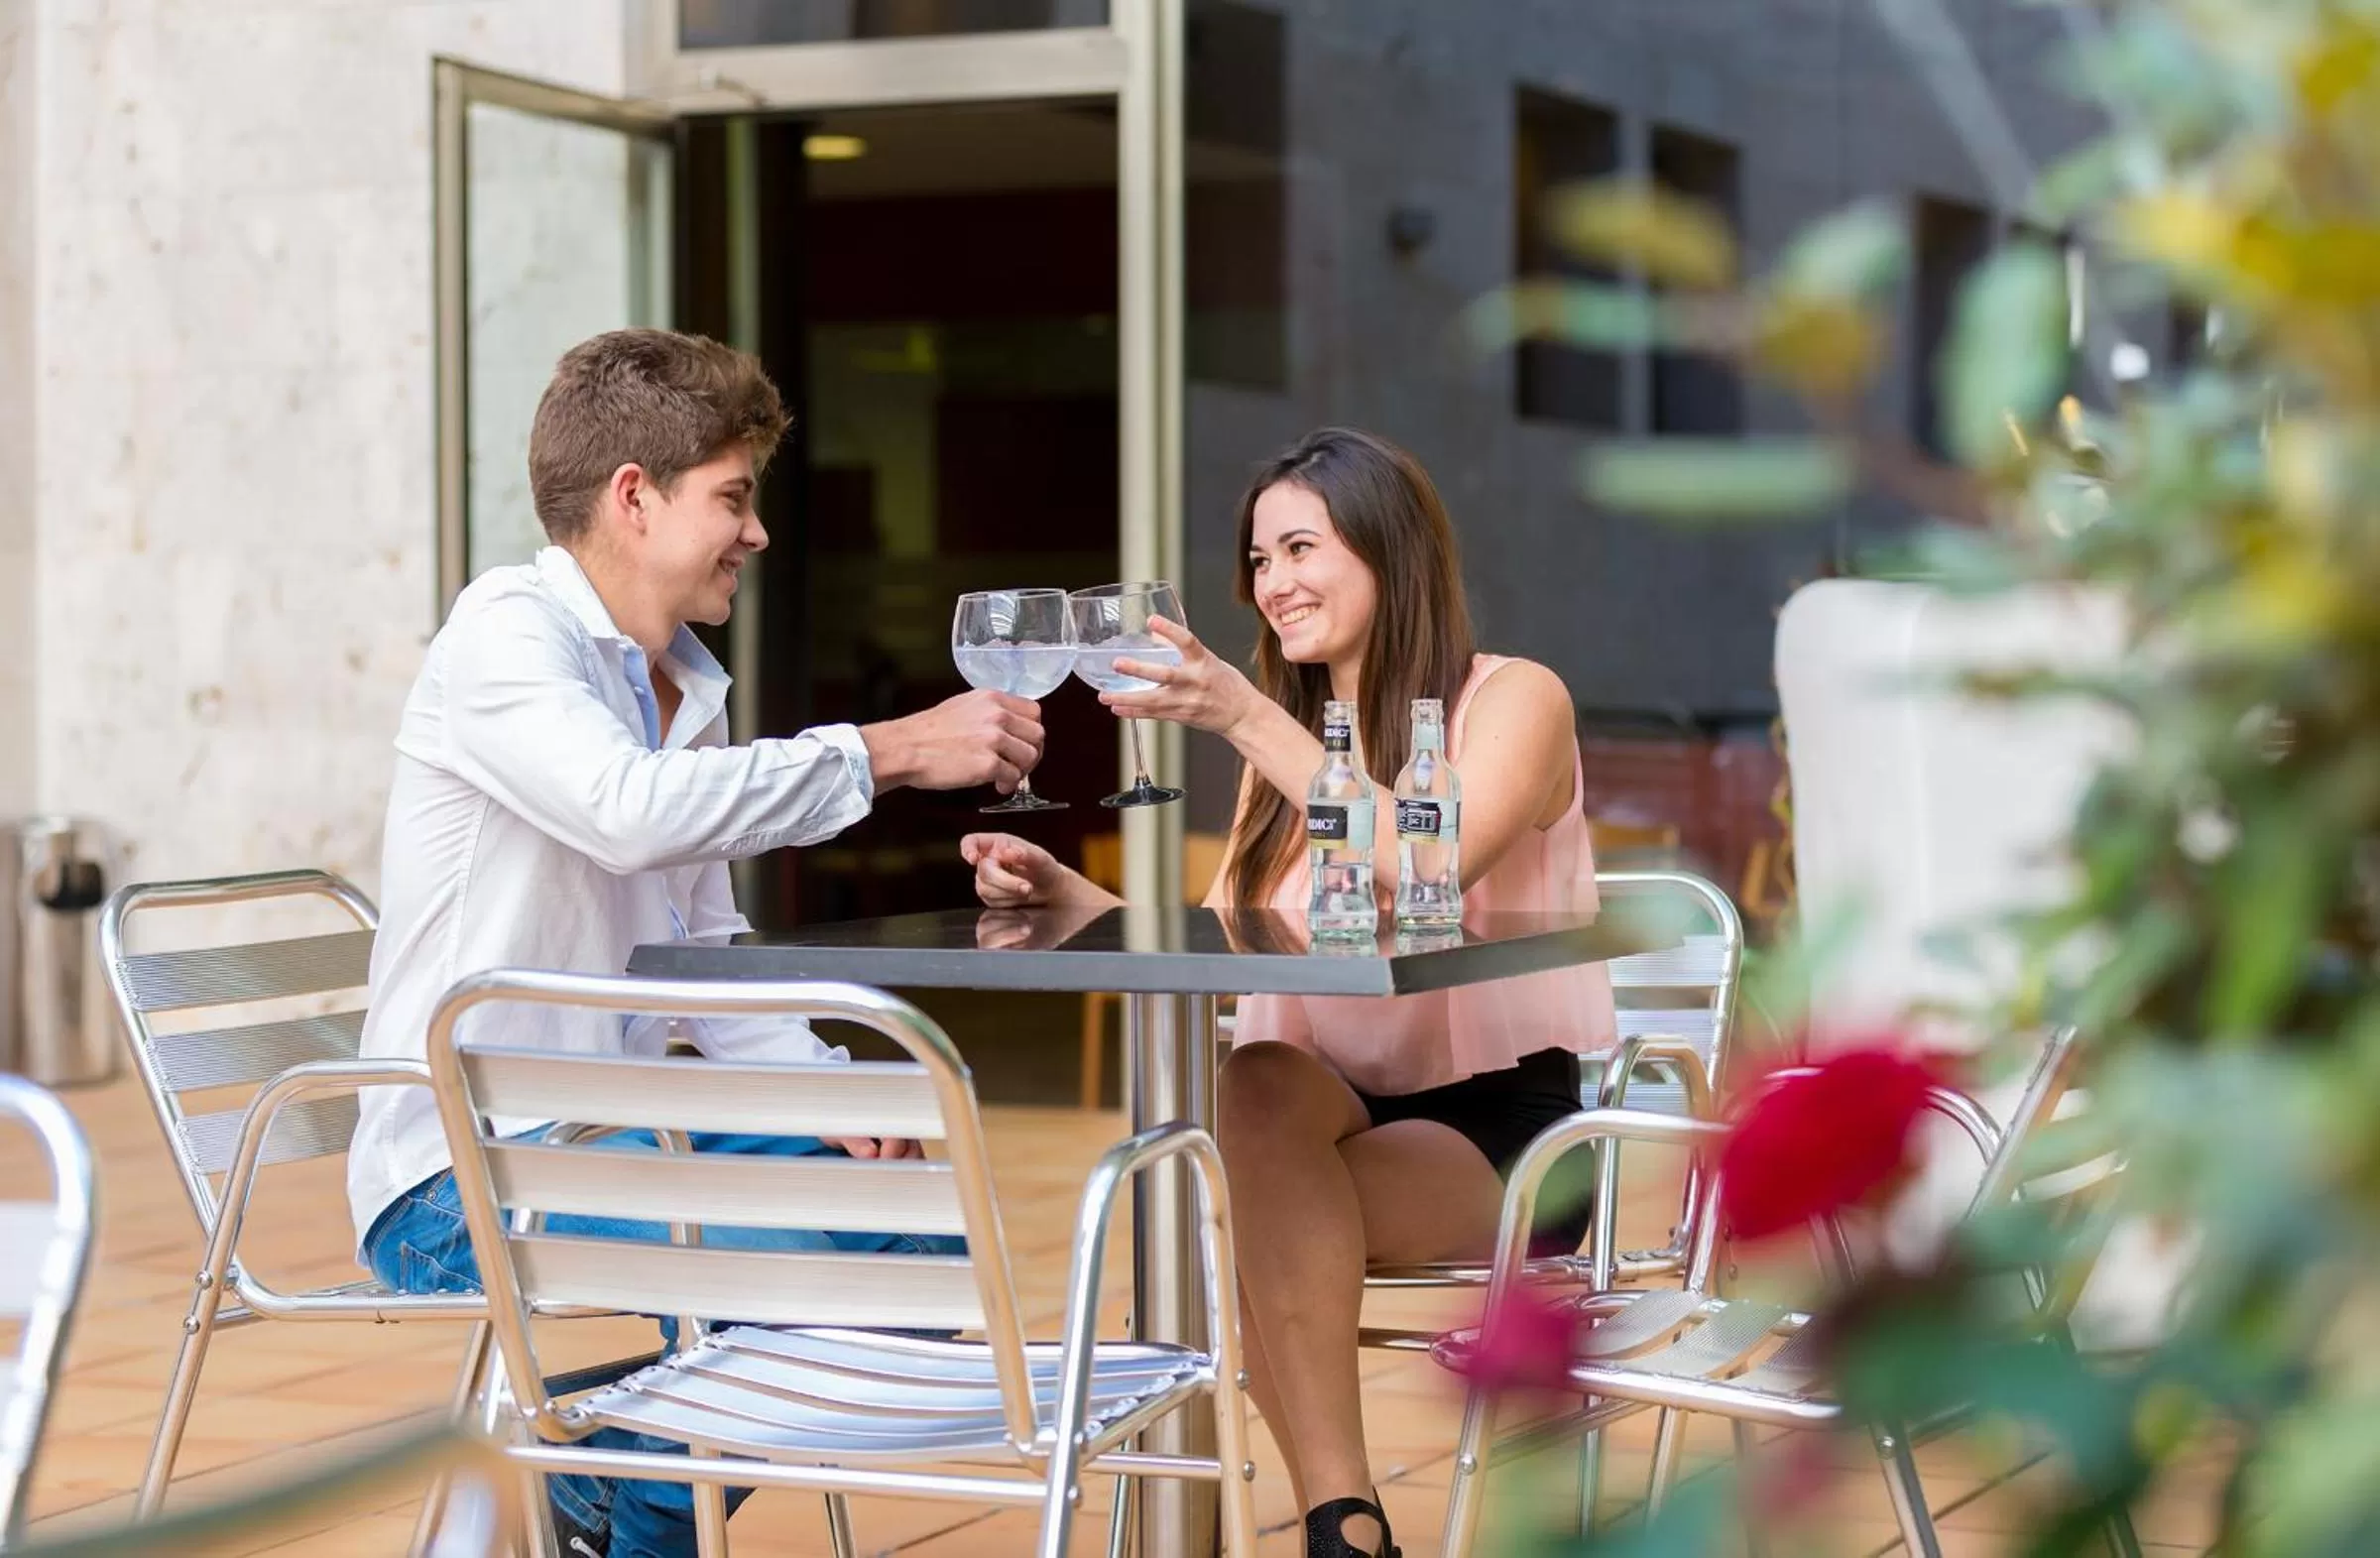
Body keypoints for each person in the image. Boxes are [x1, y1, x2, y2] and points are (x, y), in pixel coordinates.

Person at [349, 328, 1044, 1558]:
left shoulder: (681, 684)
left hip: (613, 1138)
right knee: (796, 1272)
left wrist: (828, 1094)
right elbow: (625, 814)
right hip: (459, 1175)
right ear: (634, 496)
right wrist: (885, 750)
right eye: (733, 497)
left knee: (924, 1225)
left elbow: (704, 952)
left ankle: (588, 1490)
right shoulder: (504, 636)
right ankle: (628, 1519)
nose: (757, 532)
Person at [962, 426, 1612, 1558]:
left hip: (1511, 1137)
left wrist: (1240, 716)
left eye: (1300, 547)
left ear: (1388, 548)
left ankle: (1290, 1524)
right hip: (1313, 1120)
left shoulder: (1514, 700)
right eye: (1259, 561)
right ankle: (1343, 1526)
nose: (1273, 586)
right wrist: (1066, 896)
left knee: (1232, 1240)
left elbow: (1428, 870)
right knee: (1255, 1085)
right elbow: (1241, 948)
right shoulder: (1291, 751)